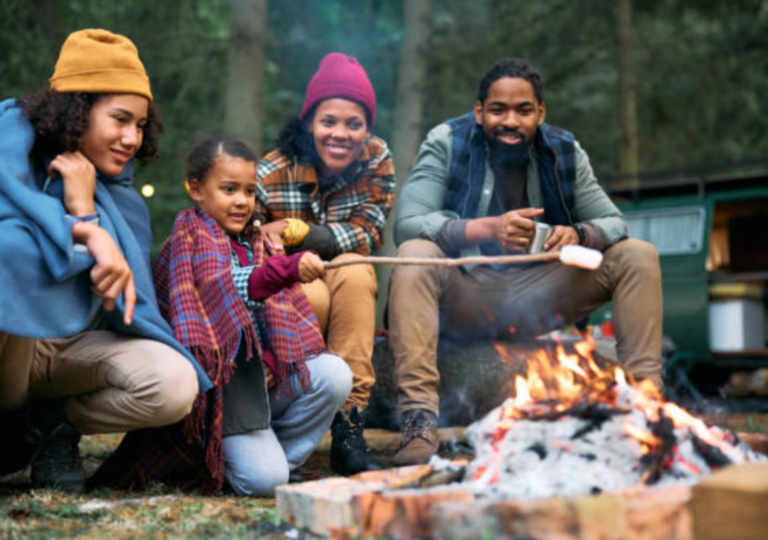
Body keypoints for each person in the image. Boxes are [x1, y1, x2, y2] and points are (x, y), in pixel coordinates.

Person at [389, 58, 663, 465]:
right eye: (498, 110)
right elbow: (407, 224)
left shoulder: (564, 149)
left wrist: (579, 234)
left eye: (523, 111)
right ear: (479, 111)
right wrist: (486, 229)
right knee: (414, 254)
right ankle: (419, 420)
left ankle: (647, 409)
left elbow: (614, 222)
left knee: (637, 254)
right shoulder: (446, 141)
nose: (510, 122)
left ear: (541, 113)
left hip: (539, 294)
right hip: (466, 292)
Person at [0, 29, 211, 492]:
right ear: (76, 110)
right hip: (13, 347)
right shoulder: (11, 155)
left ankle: (52, 424)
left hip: (73, 352)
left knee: (174, 384)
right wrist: (84, 229)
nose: (132, 138)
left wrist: (86, 207)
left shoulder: (123, 198)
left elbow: (125, 307)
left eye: (141, 125)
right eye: (120, 119)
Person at [93, 137, 352, 496]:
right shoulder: (185, 242)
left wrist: (271, 359)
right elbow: (226, 288)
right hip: (219, 395)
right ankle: (237, 464)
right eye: (229, 189)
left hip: (262, 384)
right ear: (197, 190)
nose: (242, 201)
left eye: (249, 191)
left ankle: (274, 459)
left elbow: (285, 322)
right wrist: (288, 269)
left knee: (334, 374)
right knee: (264, 481)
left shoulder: (259, 241)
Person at [256, 53, 396, 475]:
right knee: (315, 289)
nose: (340, 134)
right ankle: (278, 412)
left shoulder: (377, 160)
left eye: (354, 124)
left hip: (348, 286)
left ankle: (350, 426)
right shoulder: (271, 173)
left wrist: (298, 233)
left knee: (355, 268)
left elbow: (367, 234)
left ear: (367, 129)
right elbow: (255, 252)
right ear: (309, 123)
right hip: (286, 302)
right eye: (328, 121)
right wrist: (287, 250)